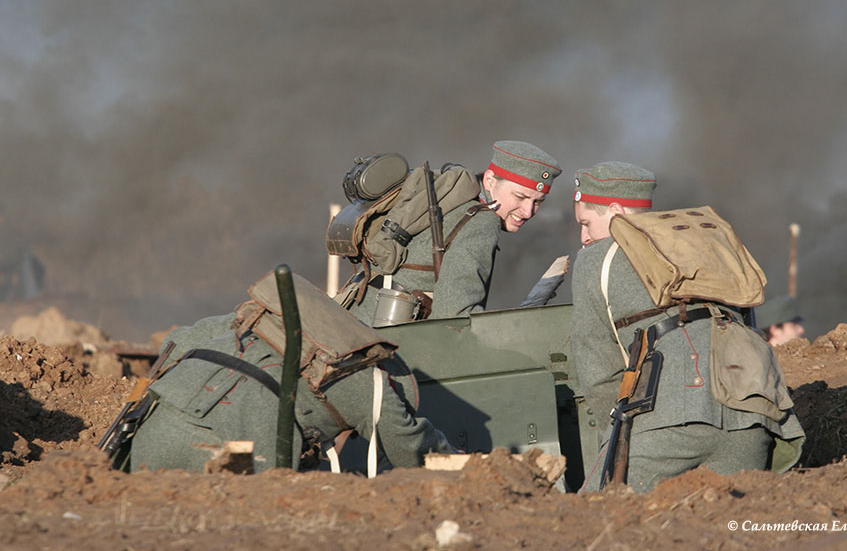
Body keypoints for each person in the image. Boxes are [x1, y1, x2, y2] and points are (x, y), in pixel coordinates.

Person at [570, 161, 805, 493]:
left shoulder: (597, 259)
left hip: (665, 425)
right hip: (752, 420)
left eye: (586, 223)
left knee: (589, 517)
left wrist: (617, 438)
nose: (584, 237)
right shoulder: (708, 241)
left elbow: (600, 373)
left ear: (616, 211)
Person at [126, 272, 457, 474]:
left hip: (149, 434)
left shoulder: (277, 315)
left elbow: (177, 341)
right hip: (221, 459)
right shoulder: (368, 377)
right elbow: (411, 449)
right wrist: (475, 464)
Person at [348, 140, 561, 325]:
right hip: (385, 347)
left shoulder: (454, 203)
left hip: (356, 317)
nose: (528, 211)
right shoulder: (482, 222)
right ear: (489, 181)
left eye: (538, 202)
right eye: (520, 197)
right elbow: (455, 316)